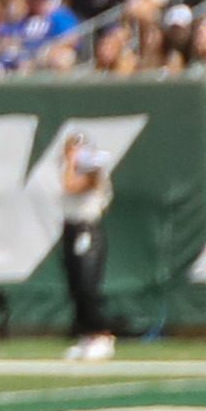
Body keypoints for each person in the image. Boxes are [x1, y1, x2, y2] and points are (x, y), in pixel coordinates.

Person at [52, 125, 124, 361]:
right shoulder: (67, 167)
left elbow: (71, 186)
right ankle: (86, 335)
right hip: (70, 228)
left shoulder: (92, 169)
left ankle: (101, 335)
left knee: (86, 284)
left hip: (87, 229)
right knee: (75, 285)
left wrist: (73, 163)